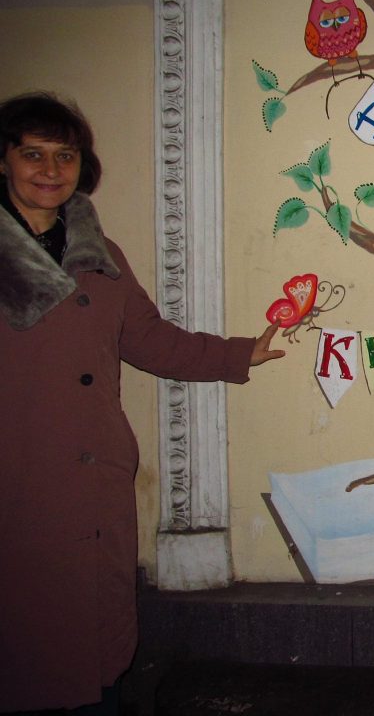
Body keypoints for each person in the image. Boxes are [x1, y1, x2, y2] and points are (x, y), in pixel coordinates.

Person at [0, 92, 284, 714]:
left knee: (94, 646)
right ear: (4, 161)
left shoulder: (97, 253)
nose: (51, 170)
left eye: (65, 155)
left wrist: (241, 354)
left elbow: (148, 338)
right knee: (28, 648)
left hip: (94, 478)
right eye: (33, 154)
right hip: (20, 480)